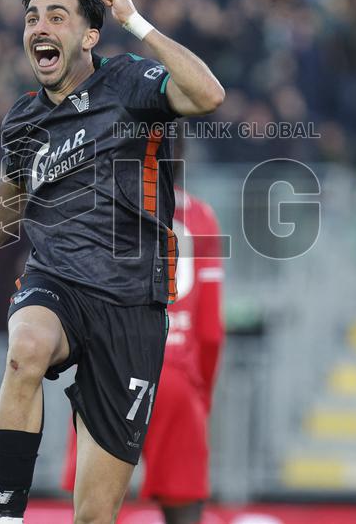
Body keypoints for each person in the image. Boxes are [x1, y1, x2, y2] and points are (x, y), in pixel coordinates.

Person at [0, 0, 224, 524]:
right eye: (31, 18)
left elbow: (208, 94)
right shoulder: (23, 119)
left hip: (132, 305)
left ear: (90, 35)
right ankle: (8, 519)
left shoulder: (131, 81)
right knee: (25, 347)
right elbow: (12, 190)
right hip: (57, 280)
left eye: (56, 16)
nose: (39, 27)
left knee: (94, 517)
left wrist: (139, 24)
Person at [61, 182, 224, 524]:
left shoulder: (99, 204)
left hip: (112, 372)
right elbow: (210, 333)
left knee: (95, 510)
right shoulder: (201, 216)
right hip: (175, 377)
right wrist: (201, 398)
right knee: (184, 511)